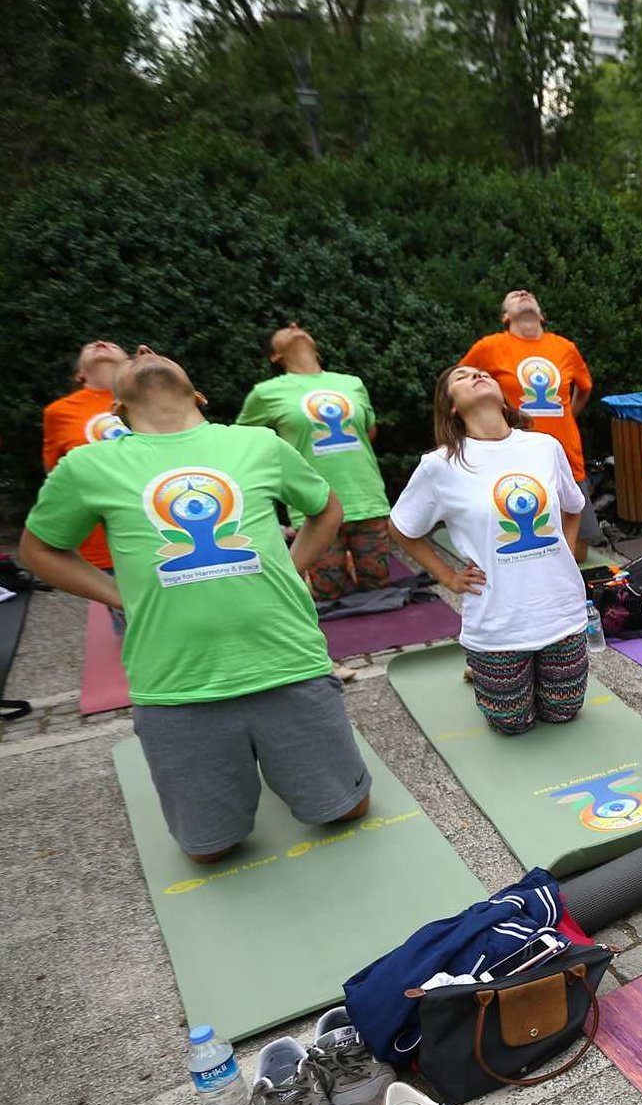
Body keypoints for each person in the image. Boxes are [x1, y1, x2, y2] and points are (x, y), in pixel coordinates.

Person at [22, 348, 370, 860]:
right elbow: (39, 550)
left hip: (290, 664)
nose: (143, 351)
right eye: (132, 354)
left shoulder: (257, 443)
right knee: (210, 849)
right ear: (116, 407)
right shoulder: (88, 465)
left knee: (343, 810)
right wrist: (117, 595)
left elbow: (326, 510)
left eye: (153, 351)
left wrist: (288, 569)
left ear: (198, 394)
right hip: (175, 688)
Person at [391, 363, 589, 734]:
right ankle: (482, 668)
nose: (476, 375)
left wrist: (565, 554)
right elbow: (402, 528)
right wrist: (448, 577)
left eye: (481, 373)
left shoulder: (544, 446)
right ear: (452, 407)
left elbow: (573, 507)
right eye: (462, 378)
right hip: (497, 622)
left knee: (564, 713)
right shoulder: (440, 466)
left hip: (560, 612)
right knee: (512, 724)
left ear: (502, 395)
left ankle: (504, 674)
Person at [237, 323, 394, 602]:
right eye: (285, 328)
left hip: (366, 497)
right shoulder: (265, 393)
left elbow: (369, 432)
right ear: (275, 356)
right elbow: (242, 443)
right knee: (327, 593)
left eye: (299, 326)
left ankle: (352, 568)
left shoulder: (351, 383)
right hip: (314, 507)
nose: (294, 326)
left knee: (378, 587)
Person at [458, 290, 593, 483]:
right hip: (512, 463)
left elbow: (585, 387)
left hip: (565, 462)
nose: (523, 293)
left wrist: (568, 416)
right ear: (505, 316)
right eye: (514, 297)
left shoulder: (566, 348)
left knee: (575, 513)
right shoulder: (489, 347)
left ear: (541, 316)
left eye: (529, 295)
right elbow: (455, 386)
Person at [41, 340, 131, 572]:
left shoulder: (151, 397)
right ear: (79, 373)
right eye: (90, 345)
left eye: (112, 343)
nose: (100, 343)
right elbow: (57, 477)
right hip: (103, 542)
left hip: (159, 529)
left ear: (130, 363)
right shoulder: (58, 412)